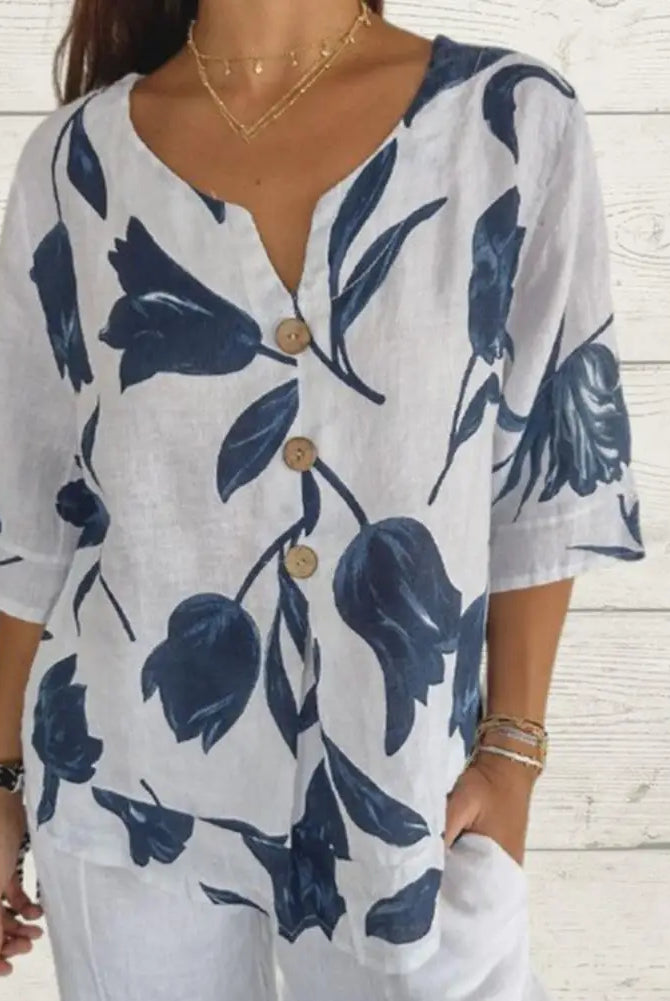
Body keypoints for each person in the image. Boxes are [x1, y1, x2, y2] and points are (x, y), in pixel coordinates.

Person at [0, 1, 646, 998]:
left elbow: (549, 472)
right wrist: (2, 781)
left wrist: (513, 754)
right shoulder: (74, 161)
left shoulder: (509, 123)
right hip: (123, 796)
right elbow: (28, 512)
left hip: (411, 799)